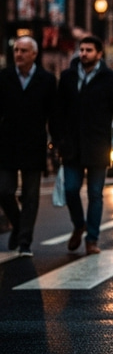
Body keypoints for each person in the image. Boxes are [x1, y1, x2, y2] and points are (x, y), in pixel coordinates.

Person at [53, 35, 113, 255]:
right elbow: (58, 111)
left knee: (95, 194)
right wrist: (57, 140)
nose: (84, 54)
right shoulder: (68, 76)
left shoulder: (109, 78)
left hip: (98, 145)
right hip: (71, 146)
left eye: (89, 50)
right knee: (71, 189)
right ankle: (79, 224)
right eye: (82, 50)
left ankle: (92, 239)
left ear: (99, 54)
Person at [0, 36, 57, 256]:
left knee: (31, 195)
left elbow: (53, 115)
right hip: (7, 144)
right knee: (4, 190)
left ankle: (25, 241)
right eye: (16, 50)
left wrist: (57, 143)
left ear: (34, 54)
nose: (19, 54)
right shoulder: (4, 76)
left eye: (24, 51)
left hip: (34, 144)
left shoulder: (47, 80)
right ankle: (18, 224)